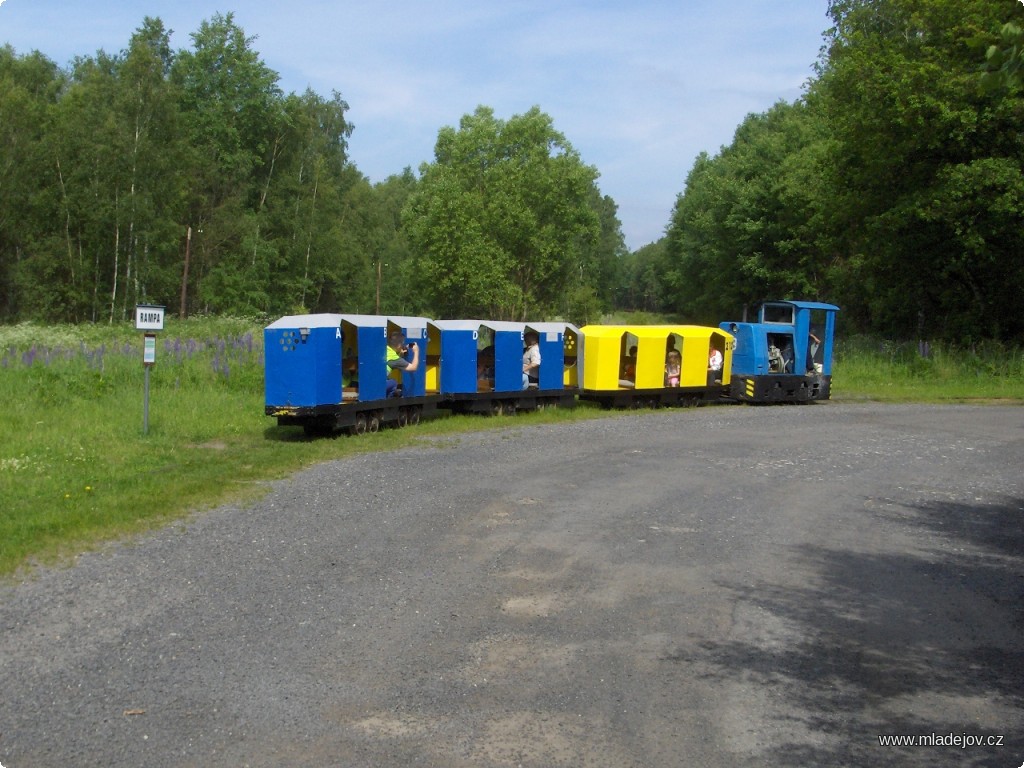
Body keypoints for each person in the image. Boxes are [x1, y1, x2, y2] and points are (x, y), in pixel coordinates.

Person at [386, 331, 419, 397]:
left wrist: (400, 354)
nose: (403, 346)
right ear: (398, 345)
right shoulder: (394, 358)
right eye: (402, 344)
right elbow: (413, 367)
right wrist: (416, 351)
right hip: (378, 384)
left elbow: (393, 361)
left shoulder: (385, 349)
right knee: (393, 382)